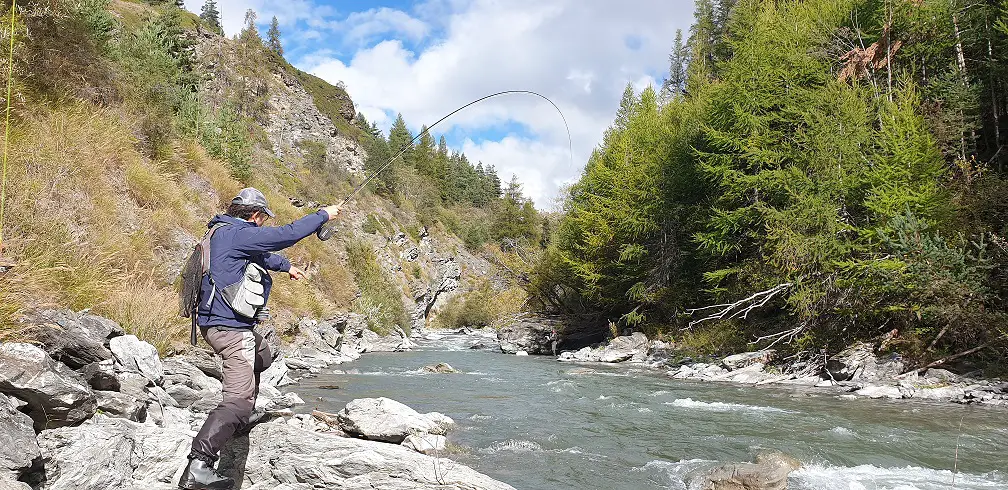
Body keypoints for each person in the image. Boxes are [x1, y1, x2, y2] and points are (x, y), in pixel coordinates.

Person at [178, 188, 340, 490]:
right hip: (230, 330)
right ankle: (198, 467)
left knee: (263, 355)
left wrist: (287, 267)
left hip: (220, 323)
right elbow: (286, 235)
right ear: (255, 215)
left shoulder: (222, 232)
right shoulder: (239, 233)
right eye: (263, 219)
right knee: (237, 401)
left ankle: (240, 419)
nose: (263, 224)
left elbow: (262, 254)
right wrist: (323, 215)